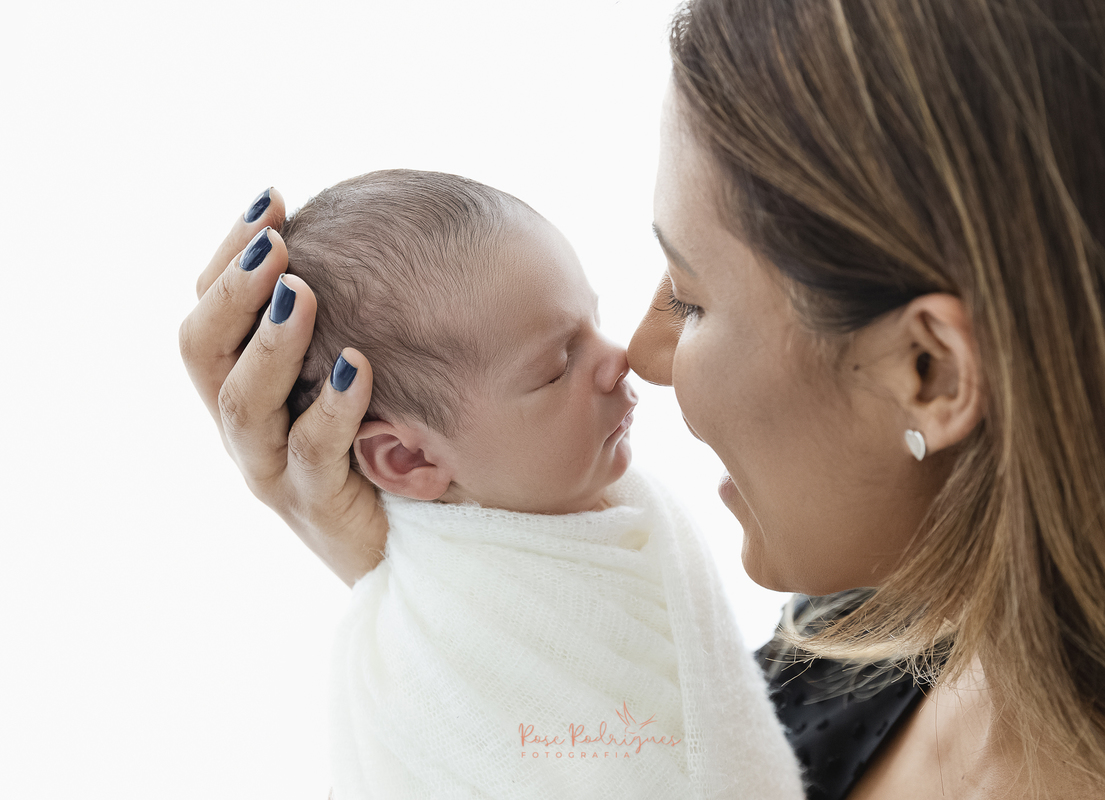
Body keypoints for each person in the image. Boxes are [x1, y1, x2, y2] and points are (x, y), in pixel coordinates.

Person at [179, 0, 1105, 798]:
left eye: (695, 298)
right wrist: (447, 582)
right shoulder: (849, 650)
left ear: (929, 372)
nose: (643, 352)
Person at [240, 168, 805, 799]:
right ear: (405, 460)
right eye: (558, 365)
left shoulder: (607, 515)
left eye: (593, 319)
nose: (620, 357)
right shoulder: (439, 655)